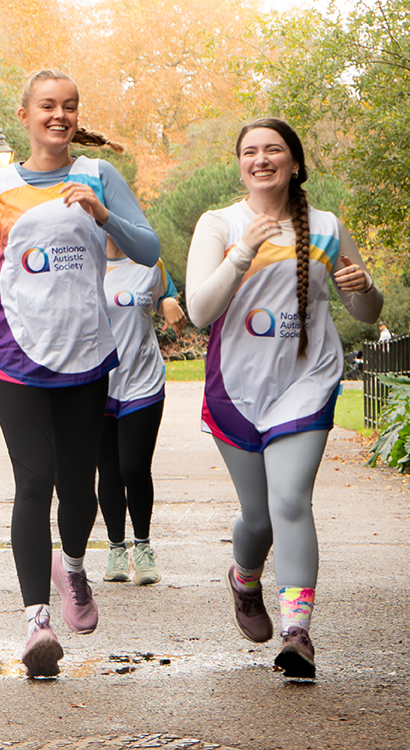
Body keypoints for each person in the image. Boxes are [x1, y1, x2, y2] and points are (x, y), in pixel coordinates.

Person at [0, 69, 160, 678]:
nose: (60, 116)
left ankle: (73, 567)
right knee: (36, 478)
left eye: (70, 107)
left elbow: (149, 250)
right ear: (25, 115)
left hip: (83, 355)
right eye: (47, 106)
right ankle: (36, 623)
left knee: (78, 491)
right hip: (14, 355)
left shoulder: (99, 176)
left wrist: (104, 215)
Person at [186, 117, 382, 679]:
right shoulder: (219, 224)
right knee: (259, 517)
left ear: (295, 163)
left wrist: (366, 289)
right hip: (237, 389)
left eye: (274, 149)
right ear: (241, 164)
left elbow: (368, 312)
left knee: (291, 500)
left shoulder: (324, 226)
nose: (261, 159)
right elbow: (200, 312)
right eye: (250, 151)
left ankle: (298, 632)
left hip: (307, 382)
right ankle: (244, 578)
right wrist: (241, 253)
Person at [98, 238, 185, 586]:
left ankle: (144, 547)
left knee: (134, 467)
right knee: (108, 471)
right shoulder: (85, 261)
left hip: (143, 382)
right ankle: (117, 548)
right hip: (96, 384)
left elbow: (169, 292)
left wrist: (168, 301)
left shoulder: (150, 263)